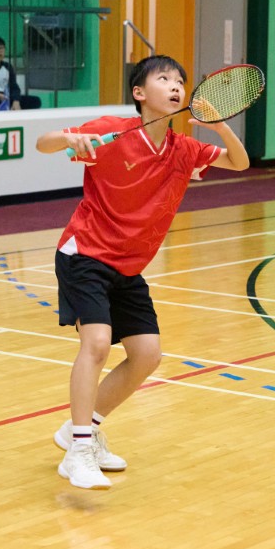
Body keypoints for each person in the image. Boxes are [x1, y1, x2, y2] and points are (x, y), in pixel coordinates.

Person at [35, 54, 250, 489]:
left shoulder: (183, 150)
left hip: (128, 265)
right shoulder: (111, 131)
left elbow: (240, 163)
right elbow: (43, 144)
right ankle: (78, 453)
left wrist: (220, 125)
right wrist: (70, 138)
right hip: (86, 254)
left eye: (180, 81)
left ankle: (81, 429)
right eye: (164, 79)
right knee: (96, 343)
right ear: (139, 92)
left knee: (147, 355)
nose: (175, 86)